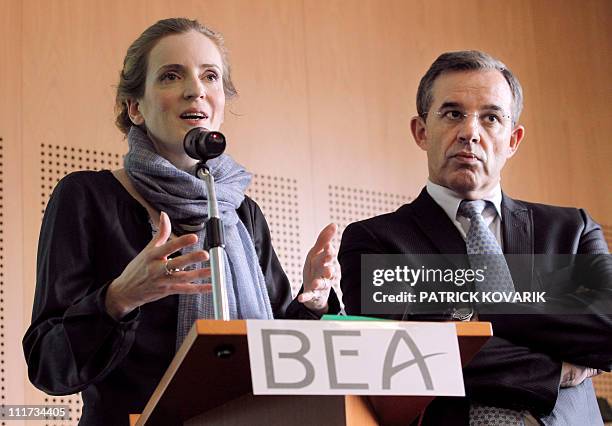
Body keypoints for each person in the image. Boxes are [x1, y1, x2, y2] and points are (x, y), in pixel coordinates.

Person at [23, 18, 340, 426]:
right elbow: (48, 365)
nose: (197, 90)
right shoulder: (87, 198)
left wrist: (313, 298)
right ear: (134, 108)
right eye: (172, 76)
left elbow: (280, 353)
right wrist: (118, 298)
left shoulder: (241, 213)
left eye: (211, 76)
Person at [339, 50, 612, 425]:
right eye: (453, 114)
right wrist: (553, 369)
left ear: (513, 139)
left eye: (491, 117)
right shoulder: (375, 240)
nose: (470, 132)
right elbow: (402, 358)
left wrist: (479, 310)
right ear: (421, 132)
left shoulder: (571, 230)